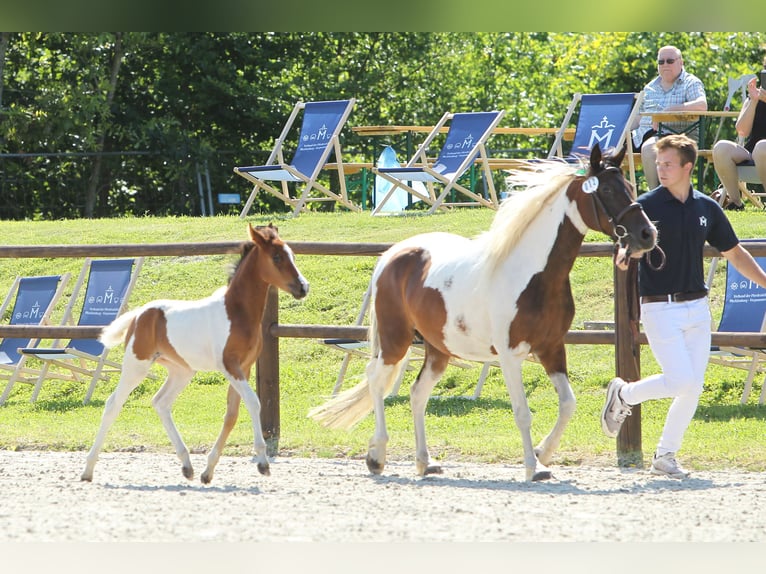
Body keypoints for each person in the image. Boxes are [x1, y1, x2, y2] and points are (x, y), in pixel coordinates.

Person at [601, 134, 766, 479]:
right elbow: (624, 244)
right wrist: (624, 252)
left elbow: (734, 252)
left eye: (667, 164)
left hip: (697, 307)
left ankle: (665, 455)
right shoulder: (645, 207)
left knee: (692, 386)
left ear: (687, 167)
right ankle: (625, 393)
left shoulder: (706, 207)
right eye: (658, 164)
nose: (660, 170)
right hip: (660, 307)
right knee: (680, 380)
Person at [633, 45, 707, 190]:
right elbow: (637, 118)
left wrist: (670, 111)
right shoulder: (649, 87)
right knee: (607, 147)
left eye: (670, 61)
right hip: (641, 136)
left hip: (676, 135)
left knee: (650, 148)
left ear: (681, 62)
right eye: (661, 62)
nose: (665, 65)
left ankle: (658, 198)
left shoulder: (690, 82)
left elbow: (702, 105)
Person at [712, 61, 766, 211]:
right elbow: (742, 131)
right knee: (721, 147)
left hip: (762, 150)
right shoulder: (756, 96)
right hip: (754, 153)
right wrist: (754, 102)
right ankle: (735, 202)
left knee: (762, 147)